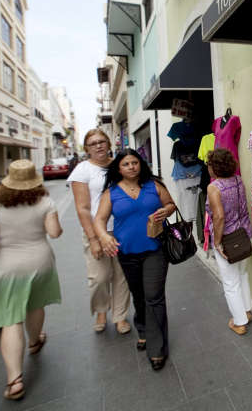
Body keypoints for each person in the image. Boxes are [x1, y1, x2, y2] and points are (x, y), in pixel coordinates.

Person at [0, 160, 62, 400]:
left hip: (5, 265)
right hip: (39, 261)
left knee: (10, 320)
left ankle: (15, 380)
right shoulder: (45, 201)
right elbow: (55, 232)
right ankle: (35, 341)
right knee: (36, 304)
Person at [93, 149, 176, 372]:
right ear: (118, 168)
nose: (131, 167)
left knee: (153, 296)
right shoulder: (111, 193)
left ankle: (157, 348)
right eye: (126, 164)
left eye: (135, 162)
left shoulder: (154, 185)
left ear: (141, 164)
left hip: (155, 249)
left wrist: (164, 212)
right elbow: (99, 220)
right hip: (127, 252)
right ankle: (143, 329)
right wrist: (103, 236)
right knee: (138, 295)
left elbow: (171, 204)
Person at [68, 129, 131, 334]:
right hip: (97, 230)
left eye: (102, 141)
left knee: (122, 275)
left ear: (109, 143)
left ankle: (120, 316)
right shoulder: (82, 170)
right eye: (93, 143)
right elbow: (82, 208)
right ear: (87, 148)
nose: (98, 146)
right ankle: (101, 310)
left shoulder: (119, 165)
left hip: (122, 229)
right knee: (99, 277)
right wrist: (94, 239)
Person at [205, 149, 252, 336]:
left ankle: (239, 322)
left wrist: (217, 243)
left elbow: (218, 217)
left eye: (209, 164)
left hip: (229, 240)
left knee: (230, 282)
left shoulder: (214, 187)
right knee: (243, 274)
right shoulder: (238, 180)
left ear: (214, 167)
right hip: (245, 234)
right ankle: (247, 311)